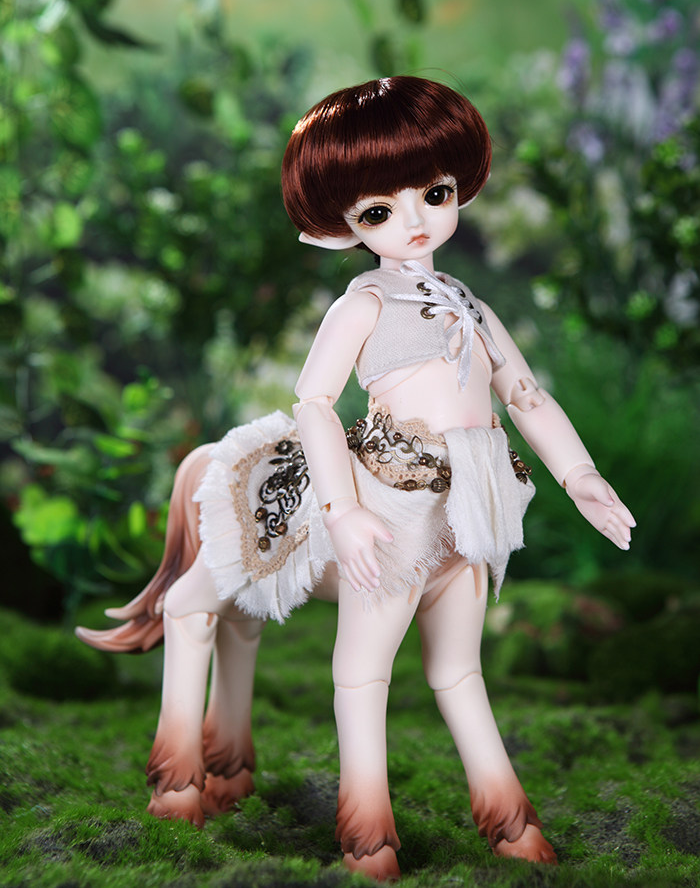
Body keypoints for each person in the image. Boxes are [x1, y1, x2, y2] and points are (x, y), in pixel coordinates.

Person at [78, 76, 635, 882]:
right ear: (341, 226)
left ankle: (511, 824)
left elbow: (525, 396)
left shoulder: (470, 305)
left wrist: (581, 474)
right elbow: (313, 401)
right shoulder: (362, 304)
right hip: (388, 499)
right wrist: (341, 508)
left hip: (464, 508)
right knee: (352, 668)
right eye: (378, 211)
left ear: (459, 187)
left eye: (434, 194)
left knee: (460, 671)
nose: (414, 220)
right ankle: (333, 828)